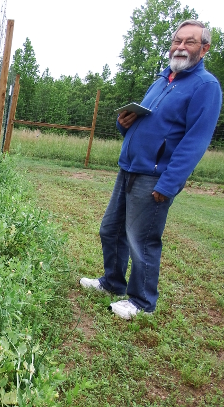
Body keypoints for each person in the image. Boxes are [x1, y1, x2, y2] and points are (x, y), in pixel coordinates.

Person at [80, 20, 222, 319]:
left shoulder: (206, 87)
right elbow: (140, 126)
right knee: (111, 230)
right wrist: (124, 123)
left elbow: (194, 142)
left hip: (156, 176)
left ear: (204, 49)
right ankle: (113, 283)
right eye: (177, 41)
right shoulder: (161, 80)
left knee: (141, 240)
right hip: (129, 168)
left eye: (190, 42)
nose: (181, 47)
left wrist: (169, 184)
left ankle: (142, 303)